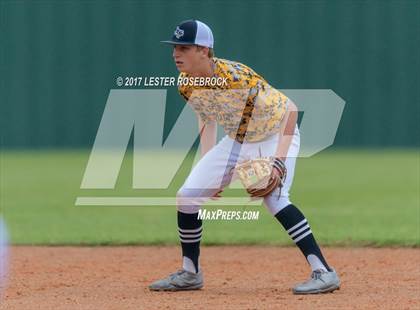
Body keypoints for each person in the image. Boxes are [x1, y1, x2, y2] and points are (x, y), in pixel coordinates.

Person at [149, 19, 340, 294]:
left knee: (275, 198)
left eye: (184, 47)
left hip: (275, 133)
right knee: (187, 196)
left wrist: (278, 162)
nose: (175, 53)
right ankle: (190, 273)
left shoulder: (236, 77)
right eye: (174, 47)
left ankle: (323, 271)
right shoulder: (186, 83)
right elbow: (206, 118)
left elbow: (291, 111)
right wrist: (208, 165)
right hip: (237, 139)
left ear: (204, 50)